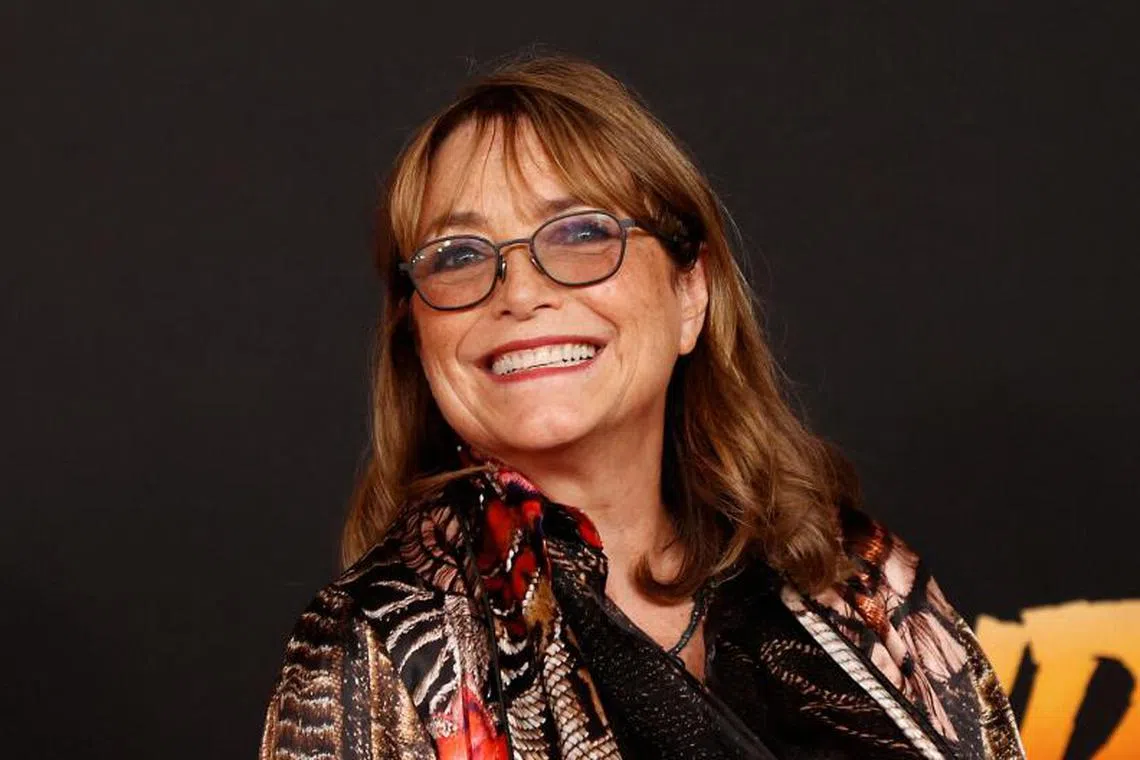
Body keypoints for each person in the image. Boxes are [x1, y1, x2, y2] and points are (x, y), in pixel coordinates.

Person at [259, 54, 1025, 760]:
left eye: (581, 233)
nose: (520, 292)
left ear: (691, 292)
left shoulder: (858, 580)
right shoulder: (377, 651)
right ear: (416, 333)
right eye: (458, 255)